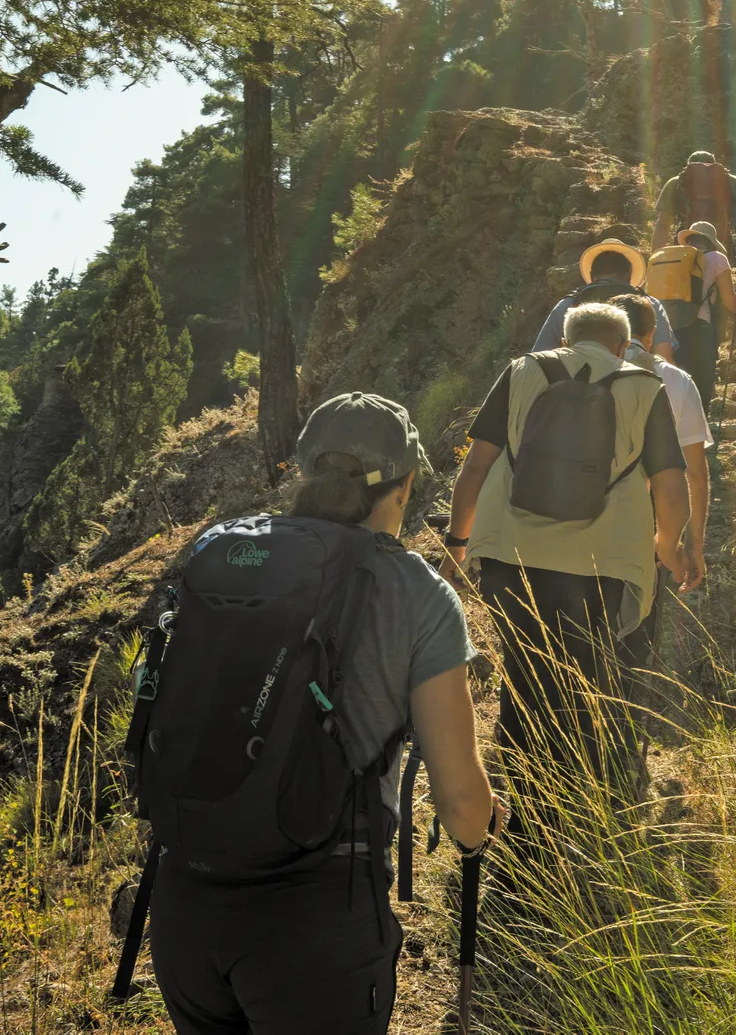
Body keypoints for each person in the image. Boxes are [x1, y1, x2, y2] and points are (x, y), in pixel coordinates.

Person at [149, 392, 503, 1035]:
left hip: (184, 901)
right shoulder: (418, 593)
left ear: (303, 473)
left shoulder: (225, 552)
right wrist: (481, 832)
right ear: (404, 487)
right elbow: (461, 804)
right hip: (316, 924)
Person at [441, 303, 692, 834]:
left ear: (563, 336)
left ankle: (519, 805)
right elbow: (671, 485)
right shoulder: (645, 387)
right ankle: (571, 810)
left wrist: (457, 544)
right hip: (601, 562)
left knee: (524, 671)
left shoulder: (521, 371)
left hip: (512, 556)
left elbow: (477, 465)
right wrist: (670, 545)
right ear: (623, 346)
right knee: (584, 674)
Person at [617, 294, 711, 592]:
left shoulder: (585, 373)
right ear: (650, 334)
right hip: (653, 524)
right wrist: (692, 544)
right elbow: (695, 473)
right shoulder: (677, 380)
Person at [532, 236, 676, 361]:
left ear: (591, 274)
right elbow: (664, 357)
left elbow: (539, 355)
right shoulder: (650, 304)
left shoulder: (568, 304)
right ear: (629, 273)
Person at [670, 221, 736, 412]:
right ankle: (700, 434)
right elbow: (729, 301)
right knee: (701, 386)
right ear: (711, 242)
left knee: (676, 383)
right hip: (699, 327)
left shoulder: (673, 258)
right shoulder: (716, 258)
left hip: (670, 329)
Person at [651, 149, 736, 259]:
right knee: (720, 273)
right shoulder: (733, 182)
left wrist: (656, 259)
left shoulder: (675, 183)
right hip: (721, 247)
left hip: (685, 248)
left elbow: (663, 225)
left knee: (685, 275)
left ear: (688, 167)